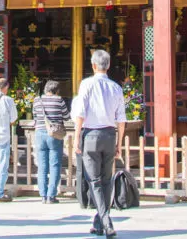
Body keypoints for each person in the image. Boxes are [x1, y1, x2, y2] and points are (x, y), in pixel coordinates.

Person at [73, 50, 126, 238]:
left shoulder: (86, 84)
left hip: (91, 135)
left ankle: (106, 221)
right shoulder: (116, 88)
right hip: (110, 134)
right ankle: (99, 220)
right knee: (105, 179)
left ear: (93, 65)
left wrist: (77, 138)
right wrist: (119, 143)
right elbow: (121, 119)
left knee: (94, 180)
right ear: (108, 65)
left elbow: (80, 113)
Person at [33, 80, 70, 204]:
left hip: (39, 133)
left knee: (42, 165)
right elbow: (66, 117)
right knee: (54, 164)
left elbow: (35, 117)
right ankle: (51, 195)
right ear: (57, 90)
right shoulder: (59, 100)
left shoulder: (37, 100)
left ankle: (42, 195)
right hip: (54, 134)